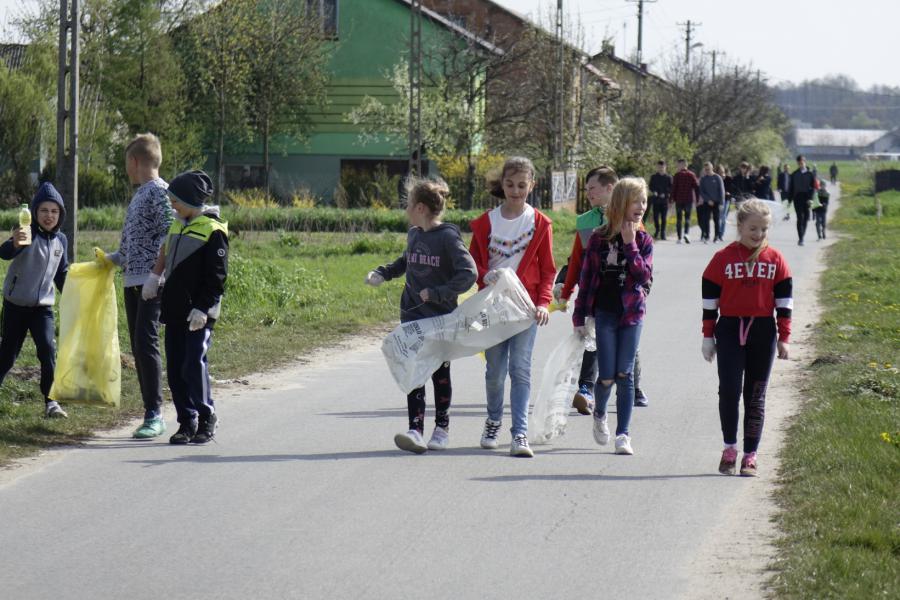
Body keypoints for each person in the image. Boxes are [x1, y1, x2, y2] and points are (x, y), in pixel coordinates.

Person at [365, 179, 477, 453]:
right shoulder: (414, 234)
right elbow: (405, 261)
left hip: (440, 320)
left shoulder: (448, 237)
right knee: (414, 371)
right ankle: (415, 430)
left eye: (408, 204)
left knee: (439, 373)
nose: (405, 210)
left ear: (420, 208)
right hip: (412, 318)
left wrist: (438, 293)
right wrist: (383, 273)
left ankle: (441, 429)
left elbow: (469, 274)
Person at [469, 156, 555, 458]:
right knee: (495, 371)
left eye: (521, 185)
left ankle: (520, 432)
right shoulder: (486, 222)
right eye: (510, 184)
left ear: (532, 185)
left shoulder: (540, 223)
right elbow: (472, 263)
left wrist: (543, 303)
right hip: (493, 307)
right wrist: (484, 275)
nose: (515, 191)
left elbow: (548, 269)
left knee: (520, 369)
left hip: (525, 308)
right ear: (502, 185)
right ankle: (493, 420)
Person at [701, 200, 792, 476]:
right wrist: (708, 335)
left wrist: (784, 336)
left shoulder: (775, 259)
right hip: (729, 329)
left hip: (763, 331)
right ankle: (730, 449)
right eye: (753, 228)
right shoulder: (722, 258)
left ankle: (750, 455)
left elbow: (785, 302)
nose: (758, 234)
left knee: (755, 395)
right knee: (729, 390)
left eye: (764, 229)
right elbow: (709, 300)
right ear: (740, 226)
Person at [99, 133, 173, 438]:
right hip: (132, 281)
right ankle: (149, 410)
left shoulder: (160, 192)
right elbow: (132, 245)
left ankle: (155, 413)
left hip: (151, 283)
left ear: (134, 161)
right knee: (138, 346)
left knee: (145, 343)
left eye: (125, 163)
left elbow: (171, 236)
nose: (125, 169)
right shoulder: (140, 194)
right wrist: (111, 259)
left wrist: (156, 276)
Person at [146, 170, 228, 445]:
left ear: (192, 201)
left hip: (199, 314)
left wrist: (202, 308)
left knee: (193, 364)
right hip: (174, 310)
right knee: (175, 368)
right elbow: (165, 251)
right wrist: (155, 277)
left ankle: (206, 417)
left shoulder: (214, 231)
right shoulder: (177, 224)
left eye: (175, 201)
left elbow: (217, 277)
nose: (172, 205)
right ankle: (186, 421)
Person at [573, 177, 653, 456]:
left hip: (632, 314)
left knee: (625, 374)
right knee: (606, 375)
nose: (641, 206)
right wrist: (579, 318)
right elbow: (586, 279)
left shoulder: (643, 239)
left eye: (644, 201)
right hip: (605, 313)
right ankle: (599, 413)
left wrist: (630, 245)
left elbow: (644, 276)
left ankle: (623, 434)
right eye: (636, 201)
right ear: (620, 203)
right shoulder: (598, 238)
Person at [0, 183, 69, 418]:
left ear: (60, 215)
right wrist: (14, 242)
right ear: (35, 212)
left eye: (54, 211)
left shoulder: (61, 240)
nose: (49, 216)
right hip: (16, 306)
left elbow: (61, 274)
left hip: (43, 309)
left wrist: (75, 295)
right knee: (7, 356)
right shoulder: (27, 233)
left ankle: (51, 403)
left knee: (48, 351)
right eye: (44, 210)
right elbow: (5, 252)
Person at [553, 166, 617, 415]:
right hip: (591, 292)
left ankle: (632, 386)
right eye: (587, 188)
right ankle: (585, 390)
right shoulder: (585, 221)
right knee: (591, 338)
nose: (588, 193)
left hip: (620, 293)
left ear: (609, 188)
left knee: (624, 343)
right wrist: (564, 286)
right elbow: (576, 259)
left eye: (593, 188)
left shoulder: (628, 215)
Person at [789, 155, 817, 246]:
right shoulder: (794, 174)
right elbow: (791, 188)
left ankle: (802, 236)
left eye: (802, 162)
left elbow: (813, 187)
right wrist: (789, 200)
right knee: (799, 218)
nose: (801, 164)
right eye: (799, 163)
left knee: (806, 218)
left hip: (807, 198)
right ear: (797, 163)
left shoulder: (810, 174)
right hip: (797, 198)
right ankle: (801, 238)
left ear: (805, 162)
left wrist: (811, 198)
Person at [671, 159, 699, 244]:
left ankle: (679, 238)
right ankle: (686, 234)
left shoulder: (677, 175)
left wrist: (671, 199)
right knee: (687, 218)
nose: (678, 166)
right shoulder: (691, 175)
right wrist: (697, 199)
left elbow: (674, 188)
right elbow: (696, 187)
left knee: (679, 219)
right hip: (688, 200)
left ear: (682, 165)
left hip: (679, 200)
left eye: (679, 165)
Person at [698, 162, 725, 243]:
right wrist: (708, 200)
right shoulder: (703, 179)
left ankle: (716, 236)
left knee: (716, 220)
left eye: (708, 169)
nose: (707, 171)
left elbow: (721, 191)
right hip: (707, 202)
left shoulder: (717, 177)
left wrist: (721, 203)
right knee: (706, 219)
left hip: (717, 202)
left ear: (712, 168)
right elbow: (702, 191)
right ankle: (706, 236)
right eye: (706, 170)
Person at [648, 160, 673, 240]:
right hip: (656, 200)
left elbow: (671, 188)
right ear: (657, 167)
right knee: (655, 217)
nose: (660, 168)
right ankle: (657, 230)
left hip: (664, 201)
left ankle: (663, 233)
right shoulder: (654, 177)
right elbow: (650, 186)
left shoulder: (669, 177)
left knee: (663, 218)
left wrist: (666, 194)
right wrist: (654, 191)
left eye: (662, 167)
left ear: (665, 167)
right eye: (659, 167)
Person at [717, 165, 733, 241]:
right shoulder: (716, 178)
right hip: (718, 200)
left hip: (726, 200)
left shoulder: (728, 179)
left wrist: (728, 192)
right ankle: (718, 232)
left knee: (723, 217)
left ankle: (721, 233)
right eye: (720, 172)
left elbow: (731, 189)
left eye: (722, 172)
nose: (722, 174)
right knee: (719, 217)